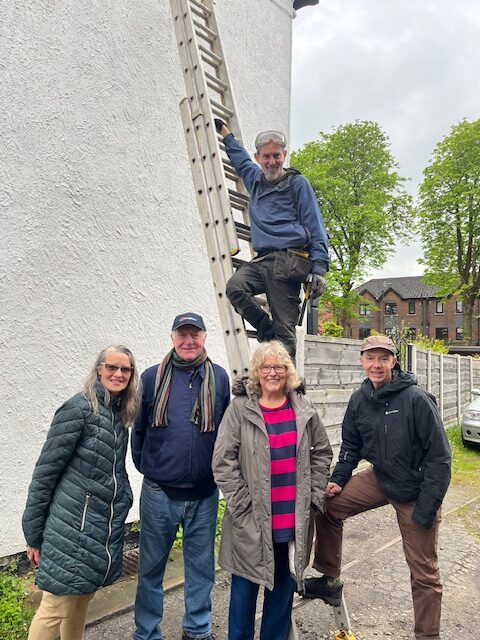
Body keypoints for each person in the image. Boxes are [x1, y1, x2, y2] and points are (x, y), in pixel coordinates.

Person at [304, 335, 451, 640]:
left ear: (394, 362)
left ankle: (428, 635)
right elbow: (351, 446)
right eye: (370, 358)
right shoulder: (360, 400)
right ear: (361, 360)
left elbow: (440, 458)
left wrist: (427, 509)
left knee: (424, 572)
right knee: (328, 504)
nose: (376, 364)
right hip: (381, 478)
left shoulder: (416, 399)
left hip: (416, 489)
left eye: (383, 358)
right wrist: (339, 480)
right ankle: (329, 576)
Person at [212, 340, 332, 640]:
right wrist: (241, 504)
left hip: (292, 522)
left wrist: (314, 498)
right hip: (251, 523)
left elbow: (322, 452)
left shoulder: (303, 407)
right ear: (256, 372)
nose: (272, 372)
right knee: (243, 598)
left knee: (281, 597)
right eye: (265, 367)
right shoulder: (240, 408)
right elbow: (222, 460)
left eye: (279, 366)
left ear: (288, 371)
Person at [22, 345, 138, 640]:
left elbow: (113, 471)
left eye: (125, 369)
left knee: (80, 600)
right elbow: (44, 474)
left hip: (96, 529)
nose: (118, 374)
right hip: (70, 528)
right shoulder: (78, 409)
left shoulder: (116, 417)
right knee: (55, 607)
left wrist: (124, 497)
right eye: (112, 367)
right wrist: (33, 534)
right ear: (99, 369)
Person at [131, 313, 230, 640]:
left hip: (204, 493)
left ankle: (197, 630)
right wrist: (151, 469)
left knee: (202, 570)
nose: (189, 341)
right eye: (182, 334)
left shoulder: (219, 378)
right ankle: (146, 633)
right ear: (172, 337)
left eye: (195, 334)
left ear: (204, 336)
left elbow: (227, 431)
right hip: (159, 493)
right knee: (150, 570)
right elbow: (139, 432)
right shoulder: (150, 378)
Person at [215, 119, 329, 360]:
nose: (272, 161)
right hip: (262, 261)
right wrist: (225, 134)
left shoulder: (298, 184)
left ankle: (291, 394)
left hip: (288, 263)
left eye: (277, 155)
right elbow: (239, 158)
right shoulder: (254, 180)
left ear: (285, 155)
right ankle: (267, 330)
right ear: (258, 158)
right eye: (266, 157)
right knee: (235, 288)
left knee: (286, 334)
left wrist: (319, 268)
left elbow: (315, 225)